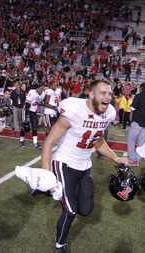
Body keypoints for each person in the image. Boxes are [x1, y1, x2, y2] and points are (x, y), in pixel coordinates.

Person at [41, 80, 128, 253]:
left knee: (86, 210)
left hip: (84, 166)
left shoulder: (109, 113)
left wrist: (116, 158)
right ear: (91, 94)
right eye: (103, 93)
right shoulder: (74, 109)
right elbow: (49, 143)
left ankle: (65, 197)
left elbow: (98, 140)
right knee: (71, 210)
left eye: (110, 94)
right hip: (64, 163)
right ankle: (60, 245)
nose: (108, 97)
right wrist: (46, 174)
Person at [127, 82, 145, 165]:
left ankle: (132, 158)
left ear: (141, 88)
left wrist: (131, 118)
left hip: (137, 121)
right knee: (141, 142)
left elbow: (132, 108)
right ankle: (138, 158)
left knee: (131, 140)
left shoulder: (138, 96)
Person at [11, 82, 26, 146]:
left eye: (18, 85)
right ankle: (16, 128)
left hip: (21, 106)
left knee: (20, 118)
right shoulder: (13, 91)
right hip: (15, 106)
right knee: (15, 117)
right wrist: (17, 95)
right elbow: (12, 98)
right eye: (16, 85)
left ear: (20, 85)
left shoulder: (23, 91)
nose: (17, 86)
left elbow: (24, 98)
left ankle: (19, 127)